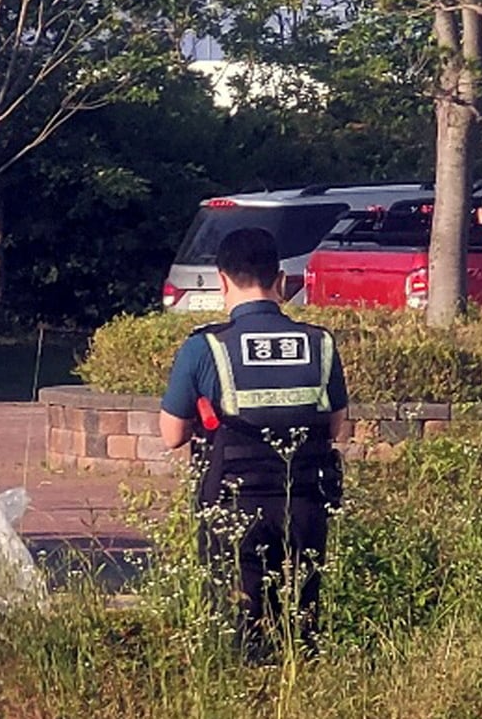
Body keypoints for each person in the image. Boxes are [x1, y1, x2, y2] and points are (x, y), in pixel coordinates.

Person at [158, 227, 348, 660]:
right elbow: (334, 428)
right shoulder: (320, 343)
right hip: (306, 504)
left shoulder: (205, 347)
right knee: (302, 625)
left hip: (233, 509)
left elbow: (172, 436)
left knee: (238, 628)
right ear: (280, 280)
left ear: (222, 280)